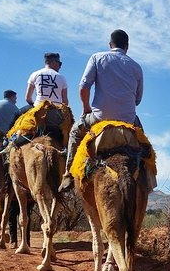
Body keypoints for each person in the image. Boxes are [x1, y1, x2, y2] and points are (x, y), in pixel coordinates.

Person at [58, 29, 144, 192]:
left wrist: (86, 108)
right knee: (143, 144)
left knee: (75, 133)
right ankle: (145, 178)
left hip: (99, 117)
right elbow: (138, 100)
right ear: (127, 46)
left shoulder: (97, 58)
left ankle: (68, 174)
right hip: (128, 120)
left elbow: (84, 87)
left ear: (110, 44)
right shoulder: (136, 67)